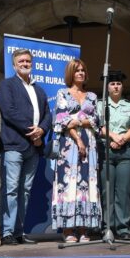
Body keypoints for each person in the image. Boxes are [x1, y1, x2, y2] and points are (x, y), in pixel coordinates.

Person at [0, 48, 51, 245]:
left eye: (28, 61)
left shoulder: (39, 89)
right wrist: (33, 132)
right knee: (10, 189)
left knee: (25, 190)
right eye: (21, 61)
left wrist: (42, 131)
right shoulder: (7, 85)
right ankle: (7, 232)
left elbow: (48, 115)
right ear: (14, 65)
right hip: (13, 145)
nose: (25, 64)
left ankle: (19, 231)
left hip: (33, 148)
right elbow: (9, 113)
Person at [52, 59, 103, 242]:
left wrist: (78, 120)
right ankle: (68, 230)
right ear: (70, 74)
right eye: (77, 71)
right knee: (69, 185)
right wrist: (78, 137)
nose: (80, 73)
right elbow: (62, 120)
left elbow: (96, 121)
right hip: (69, 146)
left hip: (90, 145)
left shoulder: (92, 96)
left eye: (83, 70)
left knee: (87, 185)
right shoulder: (62, 93)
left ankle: (83, 229)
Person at [101, 70, 130, 240]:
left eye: (118, 84)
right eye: (112, 84)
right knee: (107, 191)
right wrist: (112, 136)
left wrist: (122, 139)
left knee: (123, 192)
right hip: (106, 152)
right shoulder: (100, 105)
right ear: (107, 87)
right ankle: (107, 228)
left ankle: (123, 228)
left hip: (126, 152)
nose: (116, 86)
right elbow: (99, 125)